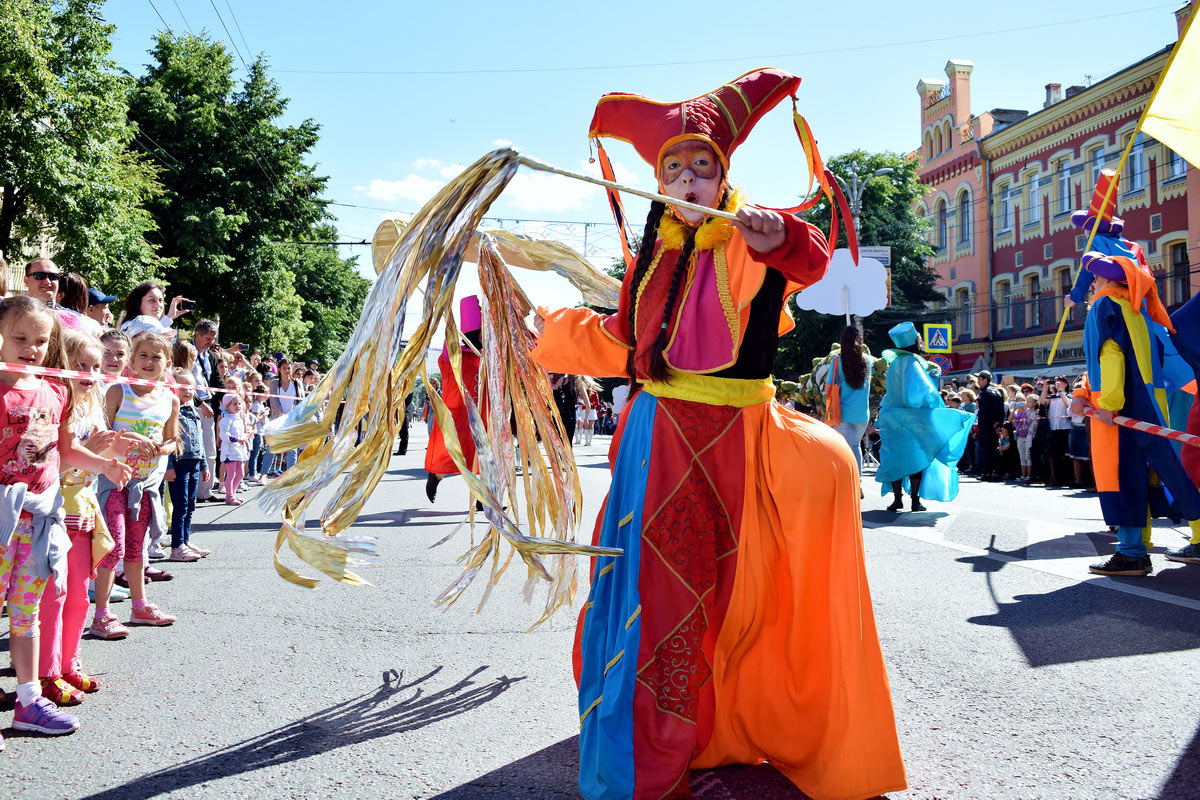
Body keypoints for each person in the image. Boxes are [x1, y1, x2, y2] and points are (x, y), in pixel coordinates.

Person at [530, 69, 905, 799]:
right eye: (674, 168)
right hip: (657, 445)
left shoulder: (747, 235)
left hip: (737, 443)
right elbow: (620, 344)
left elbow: (808, 257)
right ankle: (648, 764)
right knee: (658, 604)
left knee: (731, 601)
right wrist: (544, 331)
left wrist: (781, 234)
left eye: (702, 167)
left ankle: (714, 732)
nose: (688, 180)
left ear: (723, 175)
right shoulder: (658, 254)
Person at [0, 296, 132, 740]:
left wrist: (104, 465)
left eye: (40, 340)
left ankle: (28, 700)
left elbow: (64, 450)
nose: (31, 348)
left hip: (38, 519)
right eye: (20, 337)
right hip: (2, 517)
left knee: (27, 613)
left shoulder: (55, 389)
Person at [1072, 245, 1200, 576]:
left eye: (1095, 278)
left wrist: (1108, 404)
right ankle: (1137, 548)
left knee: (1123, 476)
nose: (1091, 284)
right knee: (1166, 473)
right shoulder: (1138, 310)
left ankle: (1132, 552)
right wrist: (1083, 392)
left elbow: (1110, 355)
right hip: (1148, 404)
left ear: (1106, 281)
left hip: (1118, 410)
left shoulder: (1104, 306)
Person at [37, 330, 135, 706]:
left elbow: (93, 453)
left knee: (78, 596)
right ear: (61, 364)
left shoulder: (92, 403)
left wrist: (115, 448)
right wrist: (99, 459)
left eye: (96, 367)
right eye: (81, 365)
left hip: (84, 511)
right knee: (53, 596)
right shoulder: (55, 402)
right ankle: (46, 672)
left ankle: (68, 663)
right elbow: (56, 457)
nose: (90, 373)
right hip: (53, 511)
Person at [98, 332, 180, 624]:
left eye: (156, 357)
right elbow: (101, 434)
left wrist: (161, 448)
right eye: (143, 355)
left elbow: (173, 440)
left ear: (166, 363)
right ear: (131, 361)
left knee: (136, 547)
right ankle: (102, 613)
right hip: (114, 483)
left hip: (145, 486)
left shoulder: (170, 399)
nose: (149, 362)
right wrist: (131, 437)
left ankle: (139, 606)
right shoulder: (119, 391)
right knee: (113, 546)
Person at [876, 322, 974, 511]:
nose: (921, 340)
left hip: (892, 417)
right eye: (918, 338)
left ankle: (897, 499)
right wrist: (936, 407)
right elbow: (924, 393)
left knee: (896, 458)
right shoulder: (913, 363)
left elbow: (891, 393)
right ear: (914, 342)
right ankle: (915, 501)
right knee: (916, 458)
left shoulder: (894, 364)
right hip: (913, 418)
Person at [424, 296, 483, 503]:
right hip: (457, 414)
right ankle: (436, 475)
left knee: (485, 457)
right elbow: (449, 344)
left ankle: (484, 500)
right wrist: (449, 318)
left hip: (482, 415)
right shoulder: (455, 353)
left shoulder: (487, 356)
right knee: (452, 454)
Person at [165, 369, 210, 562]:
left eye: (191, 387)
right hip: (179, 462)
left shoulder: (193, 411)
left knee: (191, 505)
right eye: (183, 387)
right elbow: (167, 438)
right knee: (181, 505)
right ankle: (177, 546)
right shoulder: (171, 411)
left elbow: (199, 439)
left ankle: (185, 540)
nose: (188, 391)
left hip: (194, 461)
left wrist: (204, 464)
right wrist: (168, 466)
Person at [827, 325, 874, 477]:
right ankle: (858, 482)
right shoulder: (867, 361)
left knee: (843, 448)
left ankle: (849, 482)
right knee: (855, 446)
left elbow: (828, 388)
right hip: (862, 413)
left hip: (842, 412)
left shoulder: (836, 361)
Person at [192, 320, 222, 502]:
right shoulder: (186, 353)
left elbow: (217, 381)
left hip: (209, 408)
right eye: (208, 338)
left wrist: (227, 398)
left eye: (212, 338)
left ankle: (205, 491)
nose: (210, 341)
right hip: (192, 407)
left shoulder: (209, 356)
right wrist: (198, 403)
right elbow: (183, 383)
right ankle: (192, 490)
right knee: (194, 452)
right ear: (197, 334)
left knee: (210, 450)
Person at [266, 359, 304, 478]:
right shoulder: (274, 383)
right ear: (279, 369)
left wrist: (294, 416)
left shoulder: (297, 383)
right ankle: (264, 472)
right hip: (279, 419)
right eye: (284, 368)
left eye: (289, 368)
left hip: (293, 419)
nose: (287, 371)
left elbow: (301, 400)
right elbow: (274, 401)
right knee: (273, 447)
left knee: (292, 449)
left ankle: (290, 473)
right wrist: (282, 414)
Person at [117, 280, 190, 340]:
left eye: (160, 300)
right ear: (137, 303)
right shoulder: (130, 328)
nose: (158, 305)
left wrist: (169, 317)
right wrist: (168, 318)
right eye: (152, 300)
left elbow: (154, 329)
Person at [218, 393, 250, 505]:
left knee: (240, 474)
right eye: (234, 404)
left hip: (239, 451)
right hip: (229, 451)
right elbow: (224, 435)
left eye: (239, 404)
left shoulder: (239, 419)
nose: (238, 406)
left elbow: (241, 433)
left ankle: (233, 493)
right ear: (227, 406)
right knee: (230, 474)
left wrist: (246, 437)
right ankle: (229, 495)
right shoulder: (226, 420)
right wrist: (236, 439)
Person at [974, 370, 1005, 481]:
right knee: (994, 448)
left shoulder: (984, 392)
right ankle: (996, 472)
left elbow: (985, 410)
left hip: (986, 425)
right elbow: (1001, 409)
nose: (978, 381)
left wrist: (990, 422)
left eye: (980, 379)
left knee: (986, 449)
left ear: (985, 380)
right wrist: (998, 423)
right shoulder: (996, 391)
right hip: (994, 425)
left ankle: (987, 472)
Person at [1013, 394, 1037, 482]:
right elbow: (1015, 418)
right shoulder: (1024, 411)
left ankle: (1029, 475)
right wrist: (1017, 409)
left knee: (1028, 456)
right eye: (1027, 401)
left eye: (1030, 401)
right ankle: (1023, 475)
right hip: (1020, 435)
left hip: (1029, 436)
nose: (1027, 403)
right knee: (1022, 456)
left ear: (1035, 403)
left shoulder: (1036, 412)